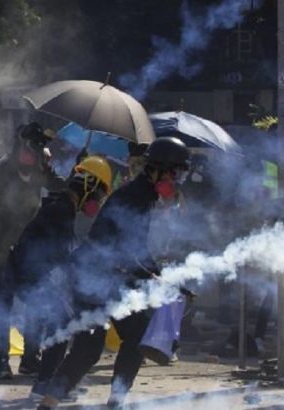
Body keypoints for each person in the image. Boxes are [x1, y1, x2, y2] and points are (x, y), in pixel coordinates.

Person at [37, 137, 191, 409]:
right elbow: (129, 249)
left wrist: (157, 275)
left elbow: (136, 249)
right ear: (159, 169)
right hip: (97, 279)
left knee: (87, 351)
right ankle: (115, 402)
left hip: (100, 278)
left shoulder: (144, 195)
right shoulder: (136, 197)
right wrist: (154, 277)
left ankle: (49, 404)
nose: (176, 180)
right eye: (174, 173)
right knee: (132, 339)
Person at [2, 155, 112, 398]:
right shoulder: (61, 211)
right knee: (60, 331)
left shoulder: (64, 208)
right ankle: (44, 387)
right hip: (36, 279)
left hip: (36, 278)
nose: (97, 202)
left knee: (59, 331)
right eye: (98, 195)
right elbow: (55, 256)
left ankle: (48, 385)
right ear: (88, 187)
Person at [0, 122, 65, 379]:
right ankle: (1, 363)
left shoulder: (41, 170)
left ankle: (30, 359)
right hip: (3, 250)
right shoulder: (3, 171)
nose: (32, 153)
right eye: (29, 147)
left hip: (30, 252)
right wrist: (9, 228)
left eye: (38, 149)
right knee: (3, 309)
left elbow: (60, 188)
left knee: (36, 305)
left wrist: (65, 175)